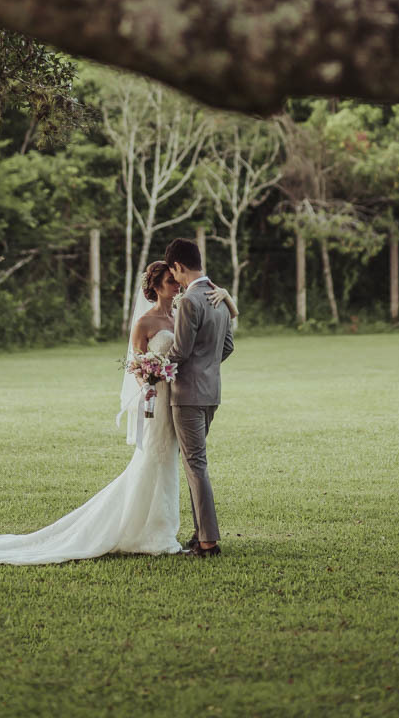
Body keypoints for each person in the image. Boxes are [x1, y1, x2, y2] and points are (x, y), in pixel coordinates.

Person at [0, 260, 234, 565]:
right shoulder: (145, 323)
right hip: (159, 401)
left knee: (170, 465)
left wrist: (227, 299)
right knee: (155, 460)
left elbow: (197, 345)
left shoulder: (181, 313)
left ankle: (162, 529)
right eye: (169, 281)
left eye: (175, 280)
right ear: (155, 287)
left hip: (179, 399)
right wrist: (148, 382)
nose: (176, 285)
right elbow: (136, 366)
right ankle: (151, 533)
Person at [164, 237, 235, 558]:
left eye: (174, 273)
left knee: (195, 465)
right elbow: (228, 346)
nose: (175, 280)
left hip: (188, 394)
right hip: (211, 392)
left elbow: (180, 351)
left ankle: (208, 542)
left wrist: (154, 368)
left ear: (179, 266)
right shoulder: (218, 296)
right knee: (196, 463)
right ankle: (199, 534)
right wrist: (207, 367)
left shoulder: (190, 300)